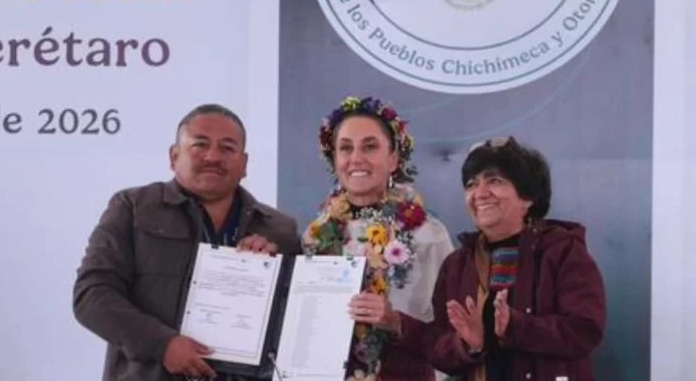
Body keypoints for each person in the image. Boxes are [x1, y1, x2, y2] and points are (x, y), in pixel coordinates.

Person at [73, 104, 303, 381]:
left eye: (227, 148)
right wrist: (162, 345)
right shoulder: (133, 208)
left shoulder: (279, 229)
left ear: (244, 164)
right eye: (200, 144)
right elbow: (92, 296)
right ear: (174, 156)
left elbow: (296, 322)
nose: (213, 156)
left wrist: (275, 273)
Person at [400, 136, 607, 381]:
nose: (480, 193)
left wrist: (516, 327)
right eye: (471, 184)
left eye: (494, 181)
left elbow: (585, 330)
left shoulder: (562, 251)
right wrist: (469, 345)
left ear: (528, 197)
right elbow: (439, 348)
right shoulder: (456, 265)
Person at [302, 96, 455, 381]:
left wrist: (394, 321)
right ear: (334, 159)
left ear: (393, 158)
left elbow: (450, 337)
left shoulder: (427, 233)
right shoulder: (315, 235)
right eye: (345, 148)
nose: (356, 158)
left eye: (370, 146)